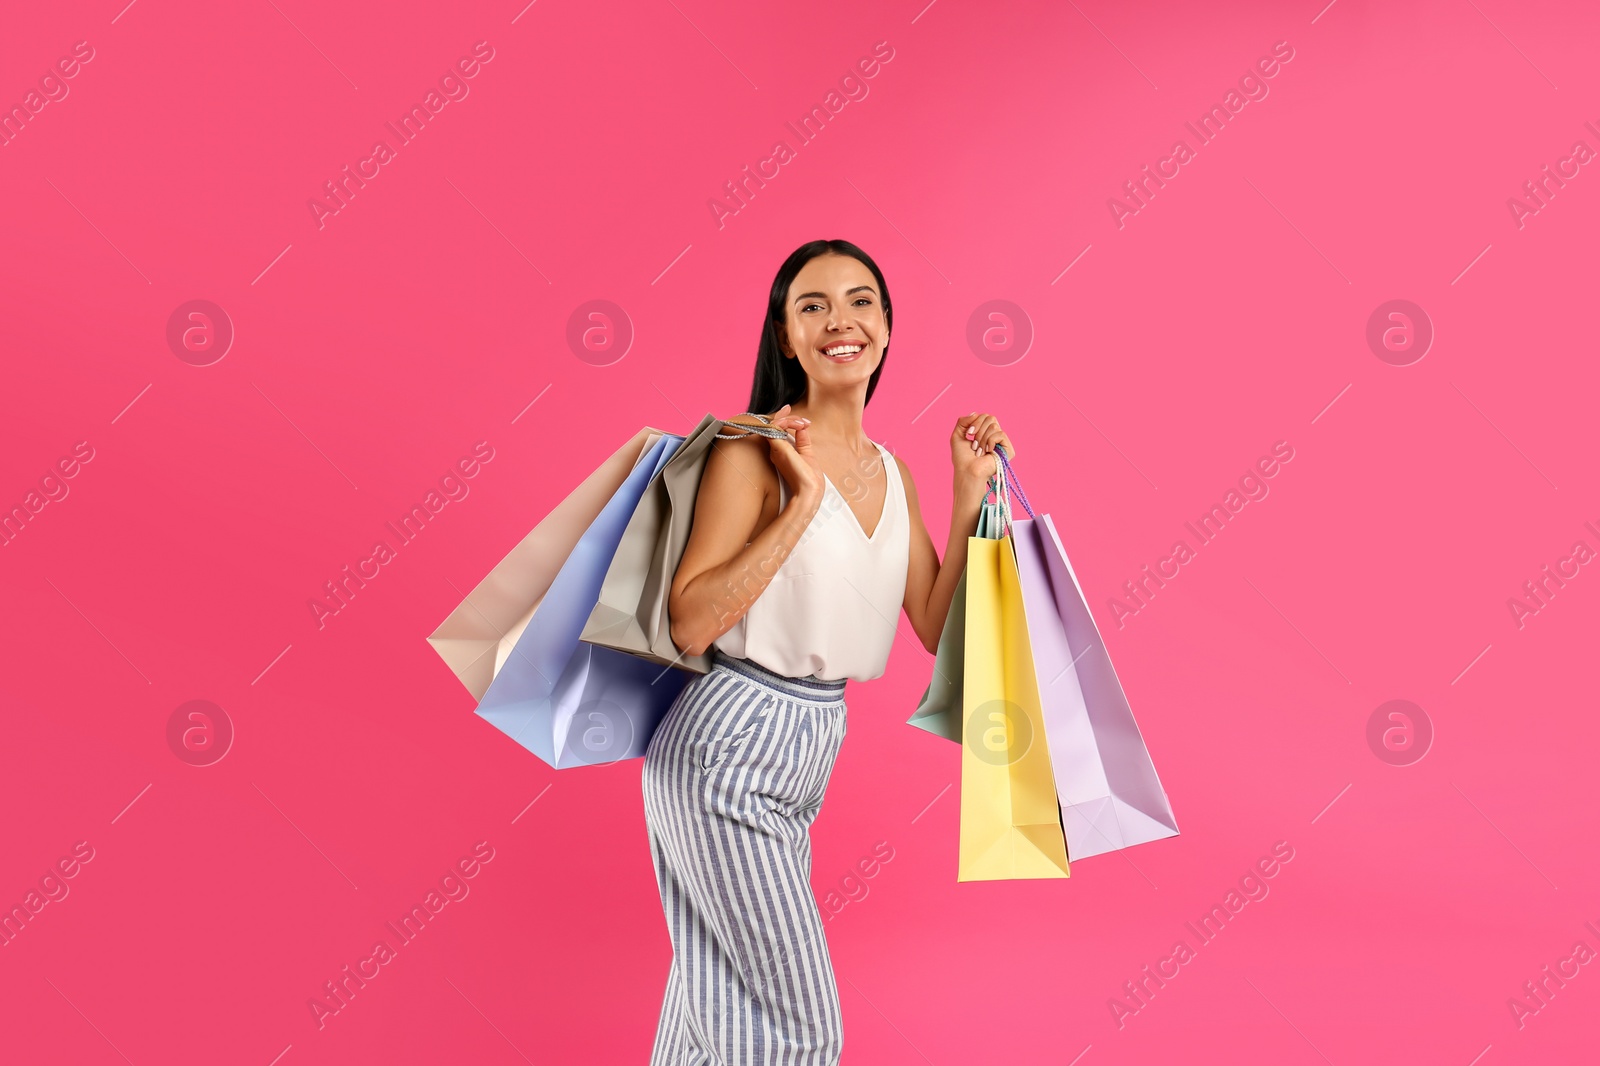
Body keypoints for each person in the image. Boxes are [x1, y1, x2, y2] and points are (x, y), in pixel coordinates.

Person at [641, 238, 1017, 1065]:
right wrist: (801, 498)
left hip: (808, 744)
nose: (840, 321)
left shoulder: (891, 469)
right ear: (785, 337)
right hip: (728, 743)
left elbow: (930, 621)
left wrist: (966, 490)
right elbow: (691, 623)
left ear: (886, 327)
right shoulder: (752, 452)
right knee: (800, 1031)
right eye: (812, 306)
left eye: (861, 302)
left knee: (713, 1013)